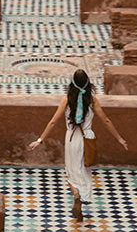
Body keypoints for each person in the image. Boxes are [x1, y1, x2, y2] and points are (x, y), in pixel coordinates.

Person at [27, 69, 128, 222]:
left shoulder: (66, 99)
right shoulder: (92, 100)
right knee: (85, 171)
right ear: (88, 83)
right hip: (87, 138)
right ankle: (79, 204)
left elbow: (53, 121)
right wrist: (119, 138)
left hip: (72, 139)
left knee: (71, 172)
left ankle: (76, 196)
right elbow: (106, 120)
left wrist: (39, 140)